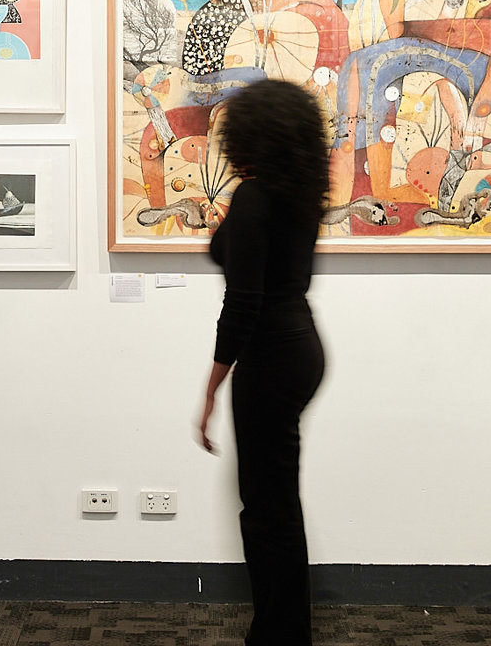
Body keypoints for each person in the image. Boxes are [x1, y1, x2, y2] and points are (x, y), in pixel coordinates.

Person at [196, 79, 328, 646]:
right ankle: (283, 628)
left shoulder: (254, 198)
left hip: (271, 356)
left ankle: (278, 635)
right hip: (300, 347)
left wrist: (211, 386)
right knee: (275, 502)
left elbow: (243, 300)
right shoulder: (297, 194)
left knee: (266, 508)